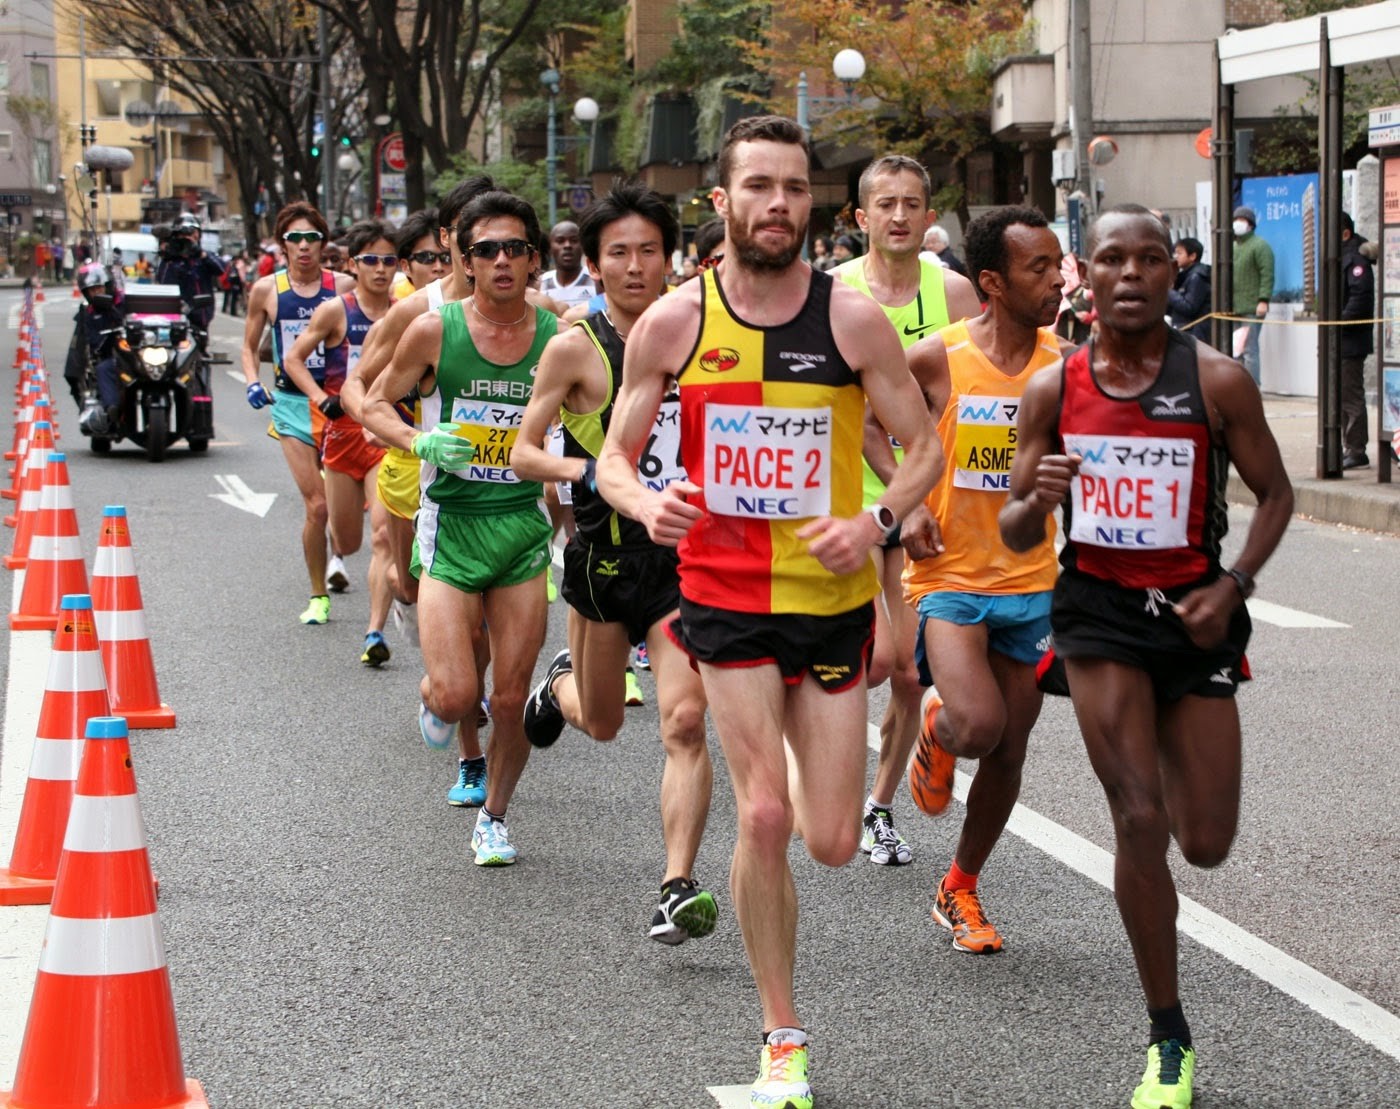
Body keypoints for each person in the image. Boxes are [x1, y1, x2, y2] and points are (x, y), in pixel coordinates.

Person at [596, 115, 941, 1109]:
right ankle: (781, 1035)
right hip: (723, 595)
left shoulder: (850, 321)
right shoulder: (675, 322)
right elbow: (614, 457)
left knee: (829, 838)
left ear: (810, 203)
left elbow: (922, 447)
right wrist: (642, 503)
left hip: (829, 603)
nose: (778, 204)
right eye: (758, 186)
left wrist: (874, 521)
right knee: (763, 812)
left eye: (793, 187)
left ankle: (822, 780)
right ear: (723, 201)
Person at [1000, 204, 1293, 1109]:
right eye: (1113, 259)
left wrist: (1234, 584)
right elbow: (1015, 527)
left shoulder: (1218, 381)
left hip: (1196, 617)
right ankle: (1168, 1034)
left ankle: (1169, 748)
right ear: (1086, 275)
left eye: (1151, 258)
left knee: (1204, 842)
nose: (1131, 274)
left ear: (1174, 271)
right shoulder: (1052, 389)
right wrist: (1037, 498)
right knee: (1137, 818)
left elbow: (1277, 494)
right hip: (1099, 615)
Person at [511, 181, 719, 944]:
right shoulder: (576, 347)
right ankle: (558, 686)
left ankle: (675, 885)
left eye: (649, 251)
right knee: (600, 723)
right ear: (594, 265)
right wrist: (589, 471)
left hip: (683, 558)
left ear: (671, 258)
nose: (636, 266)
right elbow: (523, 451)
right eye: (619, 253)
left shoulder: (705, 339)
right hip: (603, 559)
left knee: (685, 720)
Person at [363, 189, 559, 867]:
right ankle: (434, 696)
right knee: (456, 694)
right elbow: (374, 402)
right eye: (486, 249)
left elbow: (602, 409)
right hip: (451, 525)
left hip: (521, 527)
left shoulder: (558, 336)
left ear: (533, 259)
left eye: (515, 248)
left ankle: (494, 817)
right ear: (464, 259)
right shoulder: (433, 330)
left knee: (509, 696)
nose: (502, 260)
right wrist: (419, 440)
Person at [901, 206, 1068, 953]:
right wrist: (906, 503)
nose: (1058, 280)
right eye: (1040, 268)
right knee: (977, 726)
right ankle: (939, 726)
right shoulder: (939, 358)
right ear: (993, 283)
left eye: (1060, 265)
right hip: (950, 573)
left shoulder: (1065, 365)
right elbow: (869, 418)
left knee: (1008, 750)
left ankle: (960, 886)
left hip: (1031, 580)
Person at [832, 154, 981, 867]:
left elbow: (974, 395)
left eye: (911, 204)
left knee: (911, 676)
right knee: (876, 659)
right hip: (850, 498)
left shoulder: (953, 292)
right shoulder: (834, 293)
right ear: (862, 217)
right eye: (885, 204)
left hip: (928, 503)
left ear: (929, 217)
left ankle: (878, 807)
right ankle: (821, 777)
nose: (899, 216)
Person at [341, 185, 496, 809]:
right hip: (422, 473)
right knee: (407, 586)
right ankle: (434, 650)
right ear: (450, 238)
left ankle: (473, 751)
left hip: (508, 497)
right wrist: (403, 433)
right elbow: (358, 387)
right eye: (470, 232)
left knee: (483, 630)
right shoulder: (418, 314)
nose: (488, 247)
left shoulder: (534, 311)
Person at [283, 220, 398, 667]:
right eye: (371, 260)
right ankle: (325, 579)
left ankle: (375, 632)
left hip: (384, 435)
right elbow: (293, 359)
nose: (381, 269)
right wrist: (320, 398)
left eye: (389, 260)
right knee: (347, 539)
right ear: (353, 265)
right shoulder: (336, 311)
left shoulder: (406, 313)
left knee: (383, 534)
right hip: (341, 437)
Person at [240, 201, 357, 625]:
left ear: (323, 243)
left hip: (339, 403)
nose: (304, 246)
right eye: (295, 238)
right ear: (282, 244)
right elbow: (249, 347)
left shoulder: (343, 285)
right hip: (292, 405)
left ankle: (339, 554)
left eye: (312, 237)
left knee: (343, 505)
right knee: (317, 505)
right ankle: (317, 595)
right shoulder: (266, 290)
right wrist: (252, 381)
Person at [64, 263, 124, 430]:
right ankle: (109, 410)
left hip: (136, 354)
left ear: (108, 286)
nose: (97, 293)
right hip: (111, 357)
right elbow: (92, 341)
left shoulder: (125, 303)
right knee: (102, 369)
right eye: (92, 290)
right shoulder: (89, 314)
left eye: (99, 288)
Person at [1339, 211, 1375, 469]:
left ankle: (1356, 449)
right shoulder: (1342, 256)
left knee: (1350, 395)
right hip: (1342, 339)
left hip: (1350, 339)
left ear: (1345, 233)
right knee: (1342, 395)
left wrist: (1338, 323)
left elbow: (1360, 298)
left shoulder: (1355, 258)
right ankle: (1348, 447)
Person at [157, 214, 225, 334]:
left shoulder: (203, 257)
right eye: (182, 234)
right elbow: (162, 282)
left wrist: (201, 254)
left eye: (191, 233)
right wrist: (168, 254)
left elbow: (221, 269)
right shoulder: (171, 259)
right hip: (175, 316)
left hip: (200, 317)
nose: (186, 238)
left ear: (198, 235)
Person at [1231, 206, 1273, 384]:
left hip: (1252, 308)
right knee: (1236, 351)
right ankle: (1238, 387)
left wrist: (1263, 300)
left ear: (1251, 224)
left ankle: (1253, 388)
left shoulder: (1260, 245)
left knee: (1249, 351)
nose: (1237, 223)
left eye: (1242, 220)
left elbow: (1267, 274)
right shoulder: (1232, 246)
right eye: (1235, 220)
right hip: (1233, 308)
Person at [538, 219, 597, 307]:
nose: (567, 245)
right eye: (560, 241)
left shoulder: (596, 280)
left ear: (583, 245)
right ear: (550, 247)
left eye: (574, 240)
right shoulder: (541, 283)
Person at [1168, 237, 1211, 341]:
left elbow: (1189, 307)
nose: (1176, 257)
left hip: (1194, 332)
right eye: (1175, 253)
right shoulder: (1184, 275)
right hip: (1185, 329)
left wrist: (1168, 291)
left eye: (1179, 253)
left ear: (1192, 256)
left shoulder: (1197, 277)